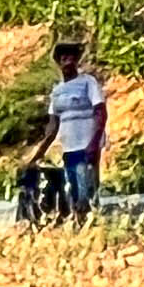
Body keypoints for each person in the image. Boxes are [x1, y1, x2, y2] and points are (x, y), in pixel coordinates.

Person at [44, 43, 107, 221]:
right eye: (64, 58)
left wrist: (94, 142)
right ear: (59, 62)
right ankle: (82, 229)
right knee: (73, 189)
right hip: (69, 147)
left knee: (86, 191)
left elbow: (101, 112)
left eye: (72, 58)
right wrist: (38, 154)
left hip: (87, 144)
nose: (69, 62)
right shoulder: (57, 91)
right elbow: (52, 125)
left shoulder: (88, 82)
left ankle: (95, 225)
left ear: (77, 61)